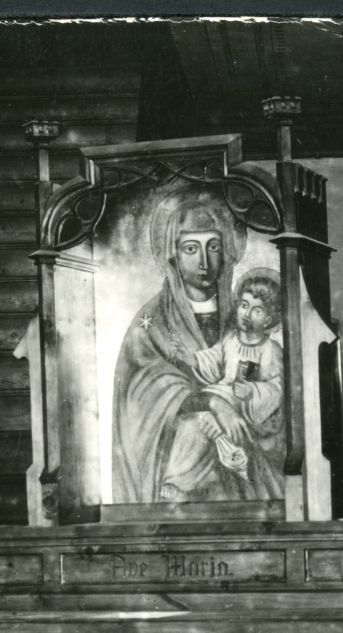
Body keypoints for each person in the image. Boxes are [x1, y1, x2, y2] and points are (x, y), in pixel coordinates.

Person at [113, 187, 283, 504]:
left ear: (227, 251)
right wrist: (213, 403)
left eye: (213, 247)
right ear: (173, 256)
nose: (204, 261)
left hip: (239, 477)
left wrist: (250, 402)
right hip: (178, 464)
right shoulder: (152, 321)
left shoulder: (242, 313)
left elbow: (273, 382)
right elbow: (141, 397)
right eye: (191, 249)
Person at [159, 269, 285, 501]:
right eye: (244, 305)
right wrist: (191, 358)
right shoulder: (230, 340)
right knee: (189, 424)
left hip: (246, 408)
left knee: (197, 428)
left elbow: (277, 387)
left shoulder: (271, 350)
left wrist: (253, 392)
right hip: (220, 394)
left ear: (268, 320)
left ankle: (183, 480)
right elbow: (212, 359)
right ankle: (178, 480)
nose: (247, 314)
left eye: (257, 310)